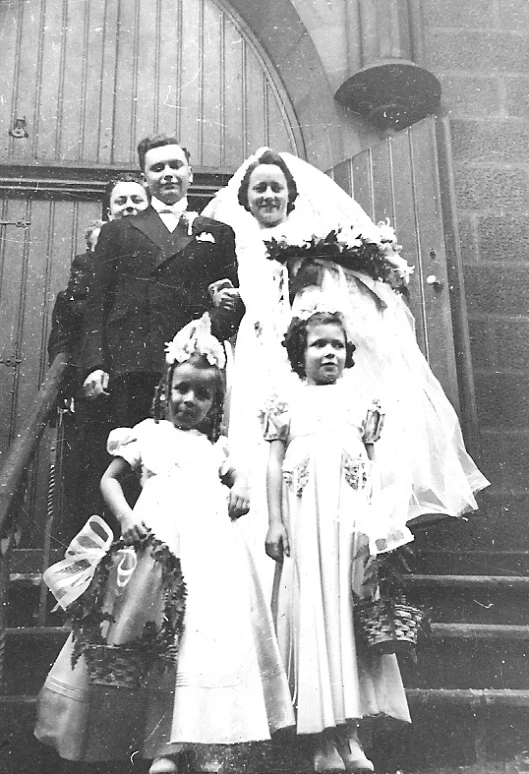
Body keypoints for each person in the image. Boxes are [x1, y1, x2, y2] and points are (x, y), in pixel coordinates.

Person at [203, 148, 489, 588]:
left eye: (276, 187)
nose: (268, 195)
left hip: (299, 356)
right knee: (261, 443)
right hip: (256, 351)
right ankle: (260, 563)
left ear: (289, 194)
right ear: (245, 197)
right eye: (258, 188)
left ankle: (324, 553)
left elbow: (338, 308)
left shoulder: (310, 238)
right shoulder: (234, 244)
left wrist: (314, 282)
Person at [34, 314, 295, 772]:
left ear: (216, 402)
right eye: (182, 389)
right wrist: (126, 516)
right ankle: (157, 745)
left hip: (211, 554)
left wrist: (241, 488)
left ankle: (194, 739)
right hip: (156, 551)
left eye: (202, 393)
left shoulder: (219, 448)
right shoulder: (148, 435)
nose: (189, 400)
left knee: (201, 640)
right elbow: (110, 481)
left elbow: (242, 480)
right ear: (166, 387)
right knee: (150, 639)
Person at [261, 307, 412, 773]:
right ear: (298, 353)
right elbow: (273, 465)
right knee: (312, 615)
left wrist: (377, 527)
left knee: (348, 618)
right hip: (306, 527)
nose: (329, 351)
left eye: (337, 345)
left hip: (349, 531)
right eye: (317, 344)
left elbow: (372, 468)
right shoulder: (286, 404)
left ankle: (351, 735)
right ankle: (319, 738)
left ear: (348, 354)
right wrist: (275, 522)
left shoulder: (361, 404)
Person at [81, 133, 244, 429]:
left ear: (189, 174)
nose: (168, 174)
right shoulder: (118, 231)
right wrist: (96, 364)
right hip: (133, 366)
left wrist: (205, 332)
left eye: (175, 166)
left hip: (193, 371)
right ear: (145, 179)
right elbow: (97, 305)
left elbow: (232, 303)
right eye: (157, 169)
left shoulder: (217, 233)